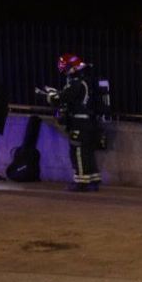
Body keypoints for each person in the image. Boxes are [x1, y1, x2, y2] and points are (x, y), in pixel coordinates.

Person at [44, 53, 103, 191]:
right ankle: (93, 180)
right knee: (87, 152)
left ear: (72, 68)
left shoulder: (76, 83)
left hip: (79, 123)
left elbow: (59, 98)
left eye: (66, 70)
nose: (65, 73)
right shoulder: (86, 81)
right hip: (88, 122)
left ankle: (81, 182)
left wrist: (51, 94)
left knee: (78, 152)